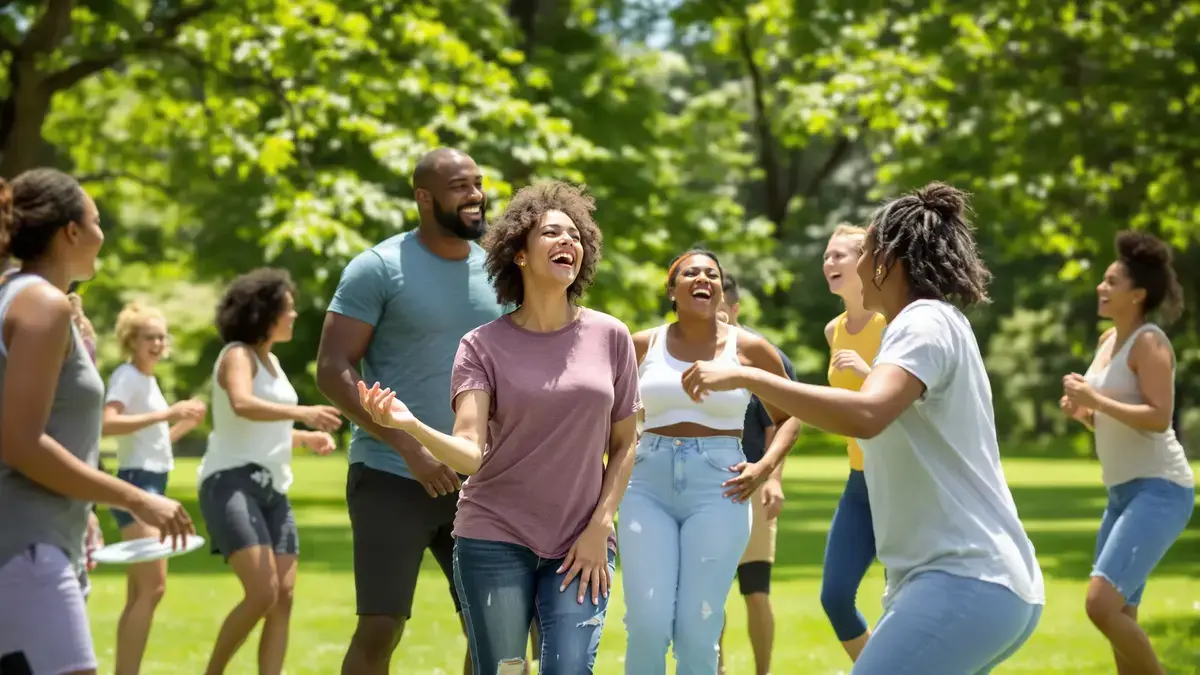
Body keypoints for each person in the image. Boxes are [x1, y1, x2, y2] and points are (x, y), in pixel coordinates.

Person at [682, 183, 1044, 675]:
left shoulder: (924, 321)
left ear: (889, 261)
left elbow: (867, 414)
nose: (855, 265)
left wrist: (750, 376)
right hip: (966, 583)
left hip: (965, 579)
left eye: (866, 251)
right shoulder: (927, 322)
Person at [359, 180, 640, 674]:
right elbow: (470, 453)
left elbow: (625, 443)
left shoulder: (610, 336)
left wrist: (601, 526)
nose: (567, 242)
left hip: (582, 539)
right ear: (520, 255)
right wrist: (411, 426)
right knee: (505, 670)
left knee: (571, 668)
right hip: (494, 536)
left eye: (575, 236)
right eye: (552, 233)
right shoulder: (481, 346)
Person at [317, 147, 505, 675]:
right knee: (382, 625)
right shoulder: (377, 268)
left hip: (478, 481)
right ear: (424, 197)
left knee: (498, 625)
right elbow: (333, 369)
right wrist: (411, 447)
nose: (475, 195)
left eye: (478, 183)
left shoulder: (500, 270)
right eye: (459, 186)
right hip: (390, 474)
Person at [0, 168, 193, 675]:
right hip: (26, 546)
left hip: (42, 543)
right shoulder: (40, 304)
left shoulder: (18, 295)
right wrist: (136, 497)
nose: (102, 233)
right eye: (97, 220)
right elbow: (19, 442)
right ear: (70, 231)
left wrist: (85, 509)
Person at [621, 248, 791, 675]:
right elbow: (607, 417)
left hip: (720, 487)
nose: (703, 279)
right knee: (647, 622)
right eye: (691, 273)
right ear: (672, 290)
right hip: (646, 485)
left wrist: (764, 467)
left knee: (699, 628)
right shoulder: (641, 344)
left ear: (720, 289)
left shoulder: (750, 348)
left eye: (712, 274)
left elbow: (790, 418)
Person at [1060, 231, 1195, 675]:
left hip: (1161, 490)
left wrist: (1095, 401)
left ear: (1137, 294)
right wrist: (1084, 413)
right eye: (1103, 280)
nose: (1101, 287)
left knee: (1101, 605)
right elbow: (1113, 419)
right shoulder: (1106, 343)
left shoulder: (1150, 343)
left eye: (1112, 282)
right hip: (1121, 494)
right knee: (1121, 614)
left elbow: (1158, 418)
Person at [198, 268, 341, 675]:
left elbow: (263, 425)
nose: (294, 316)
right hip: (230, 483)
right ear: (265, 312)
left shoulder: (273, 361)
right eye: (288, 309)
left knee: (284, 598)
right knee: (262, 593)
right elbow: (242, 405)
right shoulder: (237, 355)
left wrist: (302, 438)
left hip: (272, 489)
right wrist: (304, 413)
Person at [102, 301, 207, 675]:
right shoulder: (127, 377)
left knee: (141, 590)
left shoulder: (147, 381)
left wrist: (181, 427)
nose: (158, 343)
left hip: (152, 480)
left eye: (162, 336)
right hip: (137, 484)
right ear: (132, 340)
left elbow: (151, 440)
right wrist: (168, 413)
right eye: (150, 336)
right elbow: (108, 424)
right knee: (153, 587)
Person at [714, 273, 803, 675]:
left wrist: (773, 479)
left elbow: (780, 422)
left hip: (751, 486)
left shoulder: (763, 354)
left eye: (720, 311)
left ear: (734, 309)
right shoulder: (687, 351)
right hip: (707, 489)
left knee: (755, 591)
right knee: (709, 594)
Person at [817, 224, 887, 661]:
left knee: (901, 599)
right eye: (827, 256)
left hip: (902, 479)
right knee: (836, 596)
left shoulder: (893, 322)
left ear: (866, 262)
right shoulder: (833, 330)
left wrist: (868, 372)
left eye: (840, 255)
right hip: (859, 479)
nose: (829, 263)